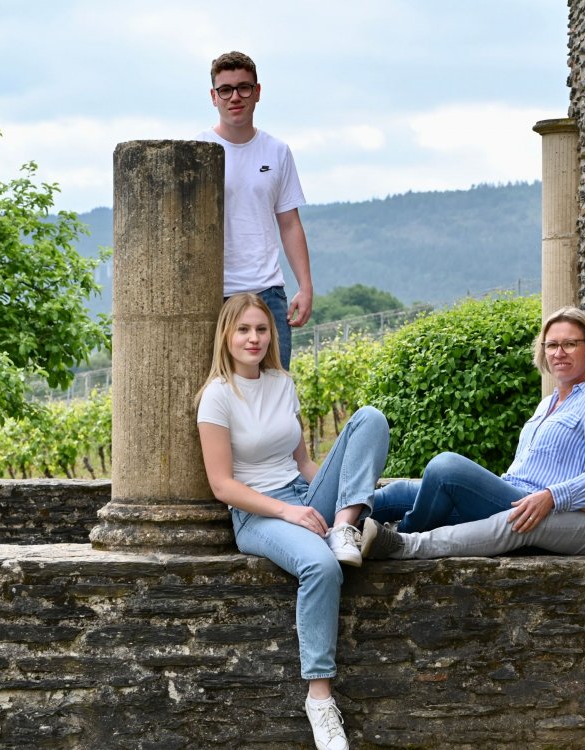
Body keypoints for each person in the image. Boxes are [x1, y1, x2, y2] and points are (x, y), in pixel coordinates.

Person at [361, 288, 585, 560]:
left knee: (449, 470)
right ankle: (337, 522)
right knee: (404, 491)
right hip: (576, 503)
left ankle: (399, 541)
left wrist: (584, 502)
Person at [195, 293, 388, 750]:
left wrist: (334, 498)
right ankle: (319, 699)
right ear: (227, 334)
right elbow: (222, 485)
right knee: (320, 567)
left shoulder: (283, 383)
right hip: (259, 513)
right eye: (243, 329)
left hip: (304, 497)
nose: (254, 338)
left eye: (262, 329)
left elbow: (303, 463)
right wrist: (289, 512)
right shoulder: (216, 397)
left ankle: (346, 524)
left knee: (371, 419)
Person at [369, 306, 585, 535]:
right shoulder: (548, 403)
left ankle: (399, 537)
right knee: (397, 493)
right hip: (507, 491)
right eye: (551, 345)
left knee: (445, 467)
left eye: (569, 344)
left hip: (529, 508)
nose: (559, 353)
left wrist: (551, 497)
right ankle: (336, 526)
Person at [196, 51, 313, 369]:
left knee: (276, 393)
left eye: (244, 87)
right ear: (213, 96)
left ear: (257, 92)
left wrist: (305, 286)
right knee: (220, 397)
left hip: (268, 293)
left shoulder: (277, 151)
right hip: (212, 296)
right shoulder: (197, 151)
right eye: (226, 89)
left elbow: (289, 224)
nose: (235, 97)